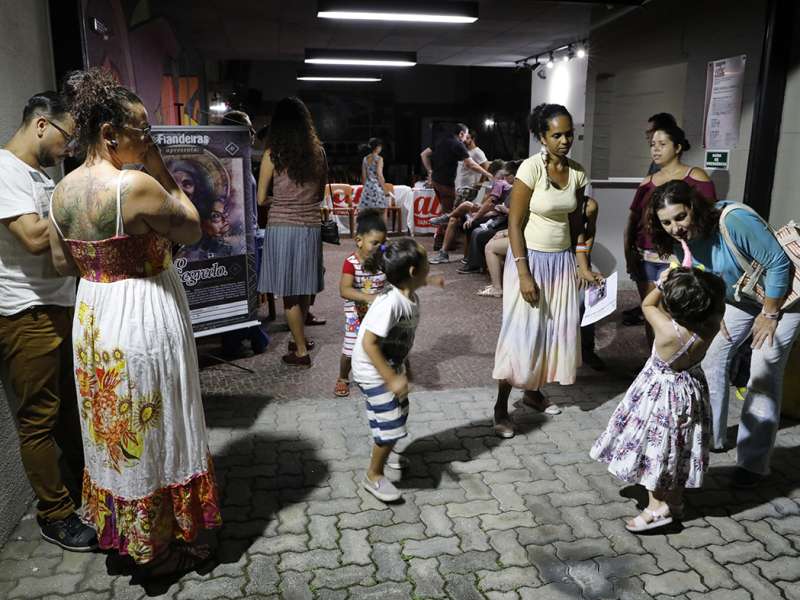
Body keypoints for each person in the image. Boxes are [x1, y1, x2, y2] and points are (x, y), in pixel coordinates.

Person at [50, 68, 221, 569]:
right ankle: (168, 540)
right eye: (142, 133)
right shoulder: (135, 186)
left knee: (113, 428)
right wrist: (161, 166)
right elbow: (192, 229)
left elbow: (64, 266)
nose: (147, 142)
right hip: (144, 313)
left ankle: (132, 534)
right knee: (160, 416)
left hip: (95, 315)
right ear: (110, 134)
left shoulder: (61, 194)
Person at [648, 180, 800, 488]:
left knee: (763, 369)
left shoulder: (733, 221)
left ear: (694, 207)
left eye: (680, 217)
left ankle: (753, 465)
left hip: (783, 297)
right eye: (666, 222)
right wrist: (712, 310)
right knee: (711, 358)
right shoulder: (681, 239)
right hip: (740, 297)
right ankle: (714, 440)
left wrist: (769, 315)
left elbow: (778, 264)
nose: (675, 227)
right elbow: (704, 270)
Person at [0, 91, 96, 551]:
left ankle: (84, 494)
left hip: (59, 305)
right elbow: (35, 237)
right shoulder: (4, 170)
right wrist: (80, 197)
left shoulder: (39, 176)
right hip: (25, 312)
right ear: (41, 124)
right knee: (38, 419)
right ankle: (54, 516)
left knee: (69, 414)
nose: (69, 149)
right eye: (67, 138)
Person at [492, 103, 602, 437]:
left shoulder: (578, 173)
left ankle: (533, 393)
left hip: (561, 262)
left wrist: (583, 265)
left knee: (550, 332)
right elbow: (514, 223)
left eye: (569, 134)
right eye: (557, 135)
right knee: (521, 333)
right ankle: (500, 407)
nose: (565, 140)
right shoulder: (530, 169)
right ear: (542, 136)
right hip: (530, 260)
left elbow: (576, 222)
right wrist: (524, 273)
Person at [590, 267, 725, 532]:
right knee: (679, 447)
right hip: (691, 391)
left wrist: (662, 284)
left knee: (658, 451)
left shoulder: (667, 331)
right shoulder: (711, 327)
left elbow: (647, 303)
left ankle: (657, 509)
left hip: (661, 397)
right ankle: (674, 503)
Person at [351, 238, 444, 502]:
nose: (431, 268)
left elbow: (399, 339)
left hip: (391, 366)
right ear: (413, 272)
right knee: (391, 423)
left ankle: (387, 452)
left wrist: (405, 367)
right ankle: (374, 475)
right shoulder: (390, 303)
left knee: (399, 414)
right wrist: (391, 378)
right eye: (427, 264)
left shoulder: (408, 294)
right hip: (372, 371)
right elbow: (369, 343)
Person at [624, 123, 716, 346]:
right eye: (652, 145)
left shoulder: (696, 176)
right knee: (651, 312)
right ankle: (654, 362)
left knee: (678, 312)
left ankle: (679, 361)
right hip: (648, 257)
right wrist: (629, 254)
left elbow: (708, 217)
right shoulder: (647, 182)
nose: (655, 149)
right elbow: (632, 221)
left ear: (677, 147)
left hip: (680, 257)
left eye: (662, 144)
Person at [257, 97, 326, 367]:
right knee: (305, 284)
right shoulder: (318, 152)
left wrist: (283, 201)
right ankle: (301, 337)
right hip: (310, 226)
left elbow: (262, 198)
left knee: (288, 292)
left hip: (283, 227)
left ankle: (300, 350)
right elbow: (319, 194)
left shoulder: (273, 153)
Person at [218, 110, 270, 357]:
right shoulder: (229, 161)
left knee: (249, 291)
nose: (251, 135)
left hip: (249, 235)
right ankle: (242, 338)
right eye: (248, 129)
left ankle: (249, 334)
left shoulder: (241, 157)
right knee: (242, 290)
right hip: (239, 239)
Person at [336, 209, 388, 397]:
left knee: (381, 344)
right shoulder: (351, 262)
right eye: (374, 243)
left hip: (378, 312)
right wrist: (369, 298)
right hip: (355, 314)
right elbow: (344, 290)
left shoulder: (383, 261)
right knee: (350, 349)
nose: (379, 248)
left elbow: (391, 281)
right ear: (359, 240)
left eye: (383, 244)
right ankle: (343, 377)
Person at [420, 124, 493, 250]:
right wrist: (488, 174)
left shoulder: (441, 140)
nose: (465, 139)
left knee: (446, 211)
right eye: (465, 135)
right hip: (447, 184)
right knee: (450, 215)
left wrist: (430, 171)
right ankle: (442, 244)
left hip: (437, 182)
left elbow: (424, 154)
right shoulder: (457, 144)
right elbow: (470, 164)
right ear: (461, 134)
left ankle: (445, 240)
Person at [429, 159, 508, 265]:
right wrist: (479, 207)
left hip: (492, 215)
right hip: (486, 212)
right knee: (454, 219)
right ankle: (443, 253)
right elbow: (486, 203)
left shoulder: (502, 184)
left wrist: (475, 215)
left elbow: (492, 206)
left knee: (465, 205)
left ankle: (447, 217)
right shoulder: (495, 185)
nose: (494, 178)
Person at [453, 130, 489, 206]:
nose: (464, 140)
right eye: (463, 138)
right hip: (460, 188)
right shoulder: (464, 152)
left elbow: (486, 167)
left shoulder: (477, 152)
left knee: (457, 210)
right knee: (460, 211)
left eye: (467, 138)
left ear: (473, 139)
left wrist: (480, 183)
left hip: (468, 188)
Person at [359, 138, 388, 210]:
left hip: (367, 188)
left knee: (367, 214)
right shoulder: (379, 159)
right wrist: (385, 189)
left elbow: (364, 177)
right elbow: (379, 175)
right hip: (377, 188)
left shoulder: (365, 159)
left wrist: (365, 189)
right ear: (377, 147)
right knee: (381, 212)